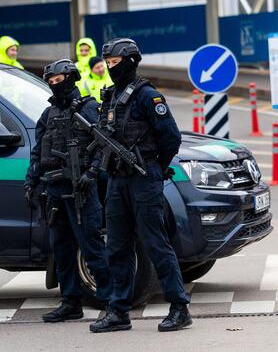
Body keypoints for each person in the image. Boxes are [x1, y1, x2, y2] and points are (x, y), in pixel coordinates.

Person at [89, 38, 191, 334]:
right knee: (117, 246)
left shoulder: (148, 96)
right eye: (107, 64)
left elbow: (170, 137)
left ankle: (179, 307)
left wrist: (154, 166)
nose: (110, 68)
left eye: (115, 63)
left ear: (131, 62)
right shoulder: (110, 97)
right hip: (118, 181)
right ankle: (118, 310)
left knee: (155, 243)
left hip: (143, 178)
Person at [24, 59, 111, 323]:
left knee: (91, 247)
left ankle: (111, 302)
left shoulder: (88, 108)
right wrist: (31, 181)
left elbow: (105, 144)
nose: (54, 85)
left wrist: (92, 173)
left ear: (70, 79)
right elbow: (38, 151)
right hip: (54, 190)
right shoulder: (48, 114)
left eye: (58, 80)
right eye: (50, 81)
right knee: (61, 249)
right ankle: (70, 302)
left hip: (81, 190)